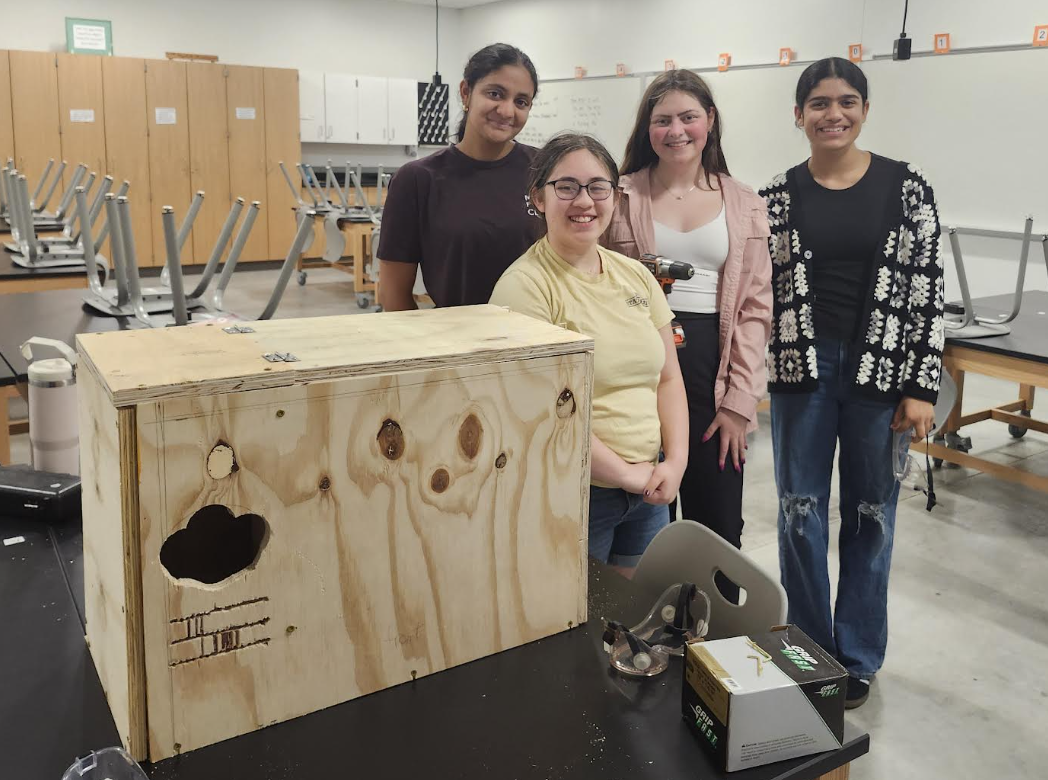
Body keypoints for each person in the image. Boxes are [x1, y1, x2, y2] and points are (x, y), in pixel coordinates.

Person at [759, 57, 944, 709]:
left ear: (864, 109)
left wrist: (923, 385)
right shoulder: (776, 197)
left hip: (882, 376)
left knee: (871, 516)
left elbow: (928, 289)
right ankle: (808, 649)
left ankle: (859, 655)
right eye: (817, 103)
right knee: (799, 514)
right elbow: (759, 292)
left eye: (845, 101)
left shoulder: (907, 188)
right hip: (799, 373)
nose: (832, 113)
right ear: (798, 114)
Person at [602, 70, 772, 599]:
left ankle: (713, 644)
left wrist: (740, 402)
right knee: (646, 516)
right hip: (638, 371)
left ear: (710, 122)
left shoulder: (744, 202)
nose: (676, 130)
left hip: (712, 373)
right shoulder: (618, 194)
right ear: (646, 129)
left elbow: (754, 307)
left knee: (717, 522)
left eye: (688, 117)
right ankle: (649, 639)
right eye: (662, 120)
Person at [489, 133, 688, 577]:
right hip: (575, 490)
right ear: (539, 198)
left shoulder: (636, 276)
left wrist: (674, 463)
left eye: (598, 187)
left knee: (633, 620)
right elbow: (543, 412)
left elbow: (669, 379)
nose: (585, 200)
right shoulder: (525, 287)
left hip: (648, 488)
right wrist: (622, 473)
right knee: (576, 625)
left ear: (614, 197)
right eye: (567, 186)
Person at [377, 43, 542, 311]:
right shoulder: (417, 180)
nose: (507, 111)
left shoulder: (545, 170)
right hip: (456, 339)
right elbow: (393, 294)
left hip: (539, 336)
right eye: (495, 94)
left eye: (520, 101)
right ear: (466, 93)